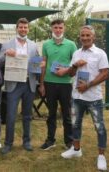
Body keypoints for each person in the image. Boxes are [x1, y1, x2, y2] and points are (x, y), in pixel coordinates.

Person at [59, 25, 109, 171]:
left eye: (88, 35)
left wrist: (88, 85)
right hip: (77, 96)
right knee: (75, 124)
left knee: (99, 127)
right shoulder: (76, 53)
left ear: (93, 37)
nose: (85, 38)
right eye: (83, 35)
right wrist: (75, 65)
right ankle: (76, 150)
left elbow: (105, 73)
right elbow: (71, 74)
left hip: (94, 97)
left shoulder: (100, 53)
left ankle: (101, 155)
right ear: (80, 37)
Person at [0, 18, 39, 154]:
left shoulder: (33, 45)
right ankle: (8, 143)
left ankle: (26, 142)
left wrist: (40, 64)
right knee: (10, 115)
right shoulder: (7, 44)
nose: (23, 29)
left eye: (25, 27)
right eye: (21, 27)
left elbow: (36, 64)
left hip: (29, 83)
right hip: (13, 84)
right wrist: (5, 54)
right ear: (17, 28)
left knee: (27, 115)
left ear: (28, 29)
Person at [39, 19, 76, 150]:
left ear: (64, 28)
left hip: (66, 83)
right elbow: (43, 65)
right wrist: (41, 84)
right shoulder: (46, 45)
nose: (58, 30)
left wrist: (66, 71)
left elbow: (75, 65)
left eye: (60, 27)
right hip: (49, 83)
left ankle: (69, 141)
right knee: (51, 114)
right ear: (51, 29)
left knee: (66, 114)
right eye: (55, 27)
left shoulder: (71, 45)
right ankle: (50, 140)